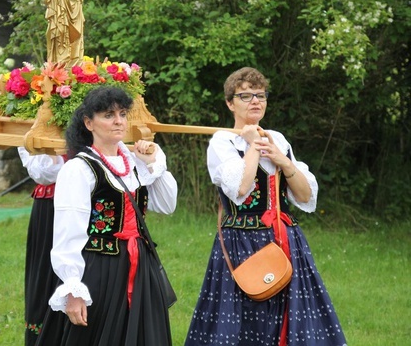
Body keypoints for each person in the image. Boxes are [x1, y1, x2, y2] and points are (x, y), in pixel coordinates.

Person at [184, 67, 347, 346]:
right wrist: (251, 146)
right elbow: (240, 189)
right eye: (245, 96)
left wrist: (283, 161)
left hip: (286, 239)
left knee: (291, 314)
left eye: (260, 95)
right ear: (229, 103)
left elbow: (306, 197)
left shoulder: (279, 139)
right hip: (242, 241)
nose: (255, 101)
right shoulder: (222, 142)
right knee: (248, 315)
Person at [36, 86, 178, 345]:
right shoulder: (79, 168)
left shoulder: (135, 163)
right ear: (88, 122)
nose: (118, 121)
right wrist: (73, 288)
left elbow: (167, 205)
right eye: (108, 115)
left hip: (140, 265)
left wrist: (153, 162)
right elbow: (69, 231)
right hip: (101, 268)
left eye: (123, 114)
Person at [18, 147, 65, 345]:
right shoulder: (30, 128)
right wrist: (52, 147)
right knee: (48, 271)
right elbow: (43, 174)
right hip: (52, 206)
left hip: (91, 202)